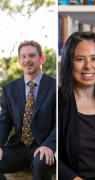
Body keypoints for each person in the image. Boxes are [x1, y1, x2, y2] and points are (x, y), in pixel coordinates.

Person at [58, 32, 95, 180]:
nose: (88, 66)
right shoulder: (57, 102)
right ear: (69, 62)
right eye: (80, 59)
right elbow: (51, 152)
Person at [0, 40, 56, 180]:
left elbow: (61, 122)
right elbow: (4, 123)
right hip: (18, 147)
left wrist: (49, 145)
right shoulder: (9, 89)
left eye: (32, 55)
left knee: (41, 162)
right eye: (23, 57)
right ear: (19, 61)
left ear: (42, 58)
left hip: (45, 146)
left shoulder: (56, 87)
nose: (27, 60)